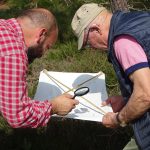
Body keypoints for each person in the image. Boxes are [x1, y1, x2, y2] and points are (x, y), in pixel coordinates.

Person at [71, 3, 150, 150]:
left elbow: (145, 95)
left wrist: (118, 119)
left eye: (88, 42)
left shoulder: (122, 42)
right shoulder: (140, 20)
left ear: (95, 29)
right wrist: (126, 99)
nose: (92, 48)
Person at [0, 8, 79, 128]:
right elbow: (17, 116)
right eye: (47, 47)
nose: (42, 55)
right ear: (41, 35)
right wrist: (54, 107)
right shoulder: (13, 53)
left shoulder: (3, 27)